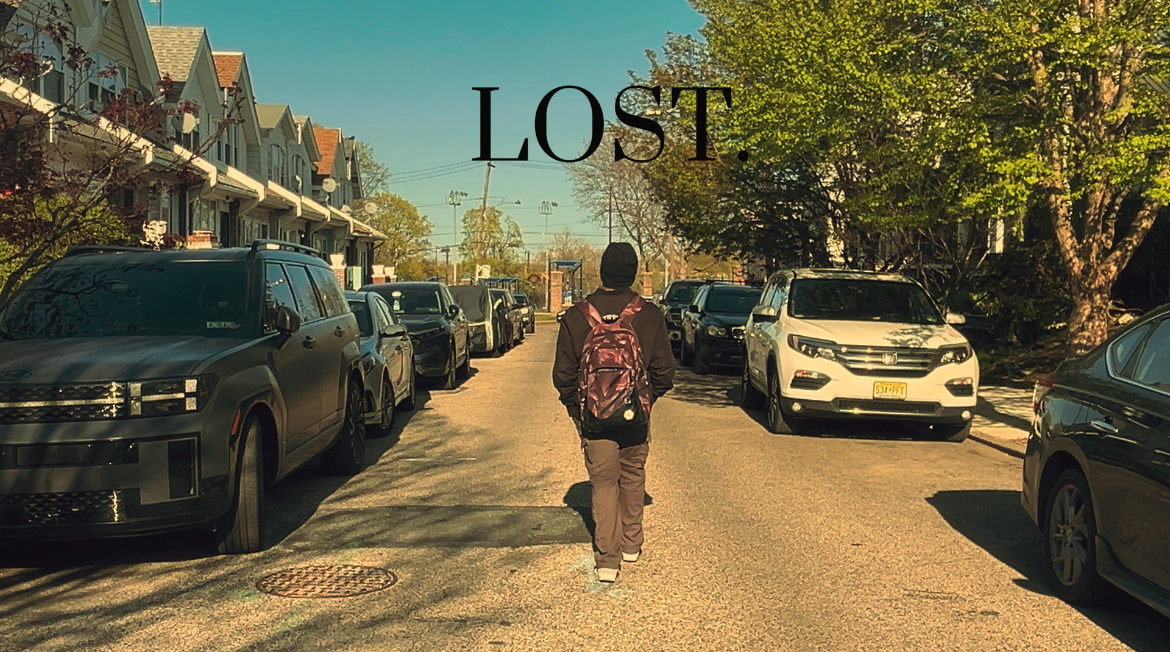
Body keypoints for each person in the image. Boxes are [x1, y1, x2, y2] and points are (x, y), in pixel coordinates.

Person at [552, 242, 675, 584]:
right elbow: (665, 371)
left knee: (604, 482)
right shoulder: (649, 315)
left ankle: (607, 560)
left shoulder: (577, 315)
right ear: (633, 274)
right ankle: (631, 543)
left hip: (593, 416)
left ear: (602, 272)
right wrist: (646, 400)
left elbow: (562, 375)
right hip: (635, 414)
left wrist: (578, 410)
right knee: (632, 474)